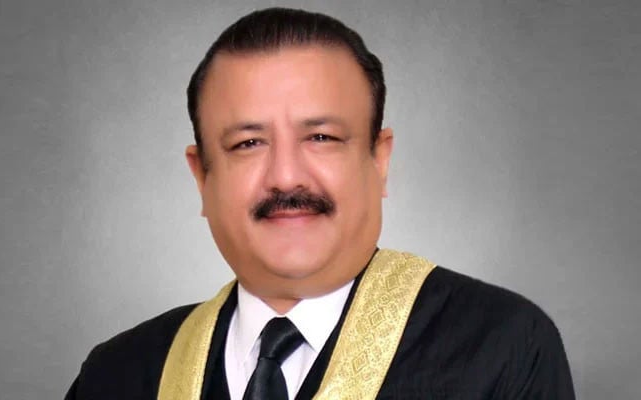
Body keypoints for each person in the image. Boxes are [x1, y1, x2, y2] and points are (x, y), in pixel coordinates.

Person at [65, 7, 575, 399]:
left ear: (379, 160)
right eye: (248, 143)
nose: (286, 176)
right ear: (202, 177)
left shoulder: (503, 347)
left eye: (322, 138)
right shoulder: (118, 374)